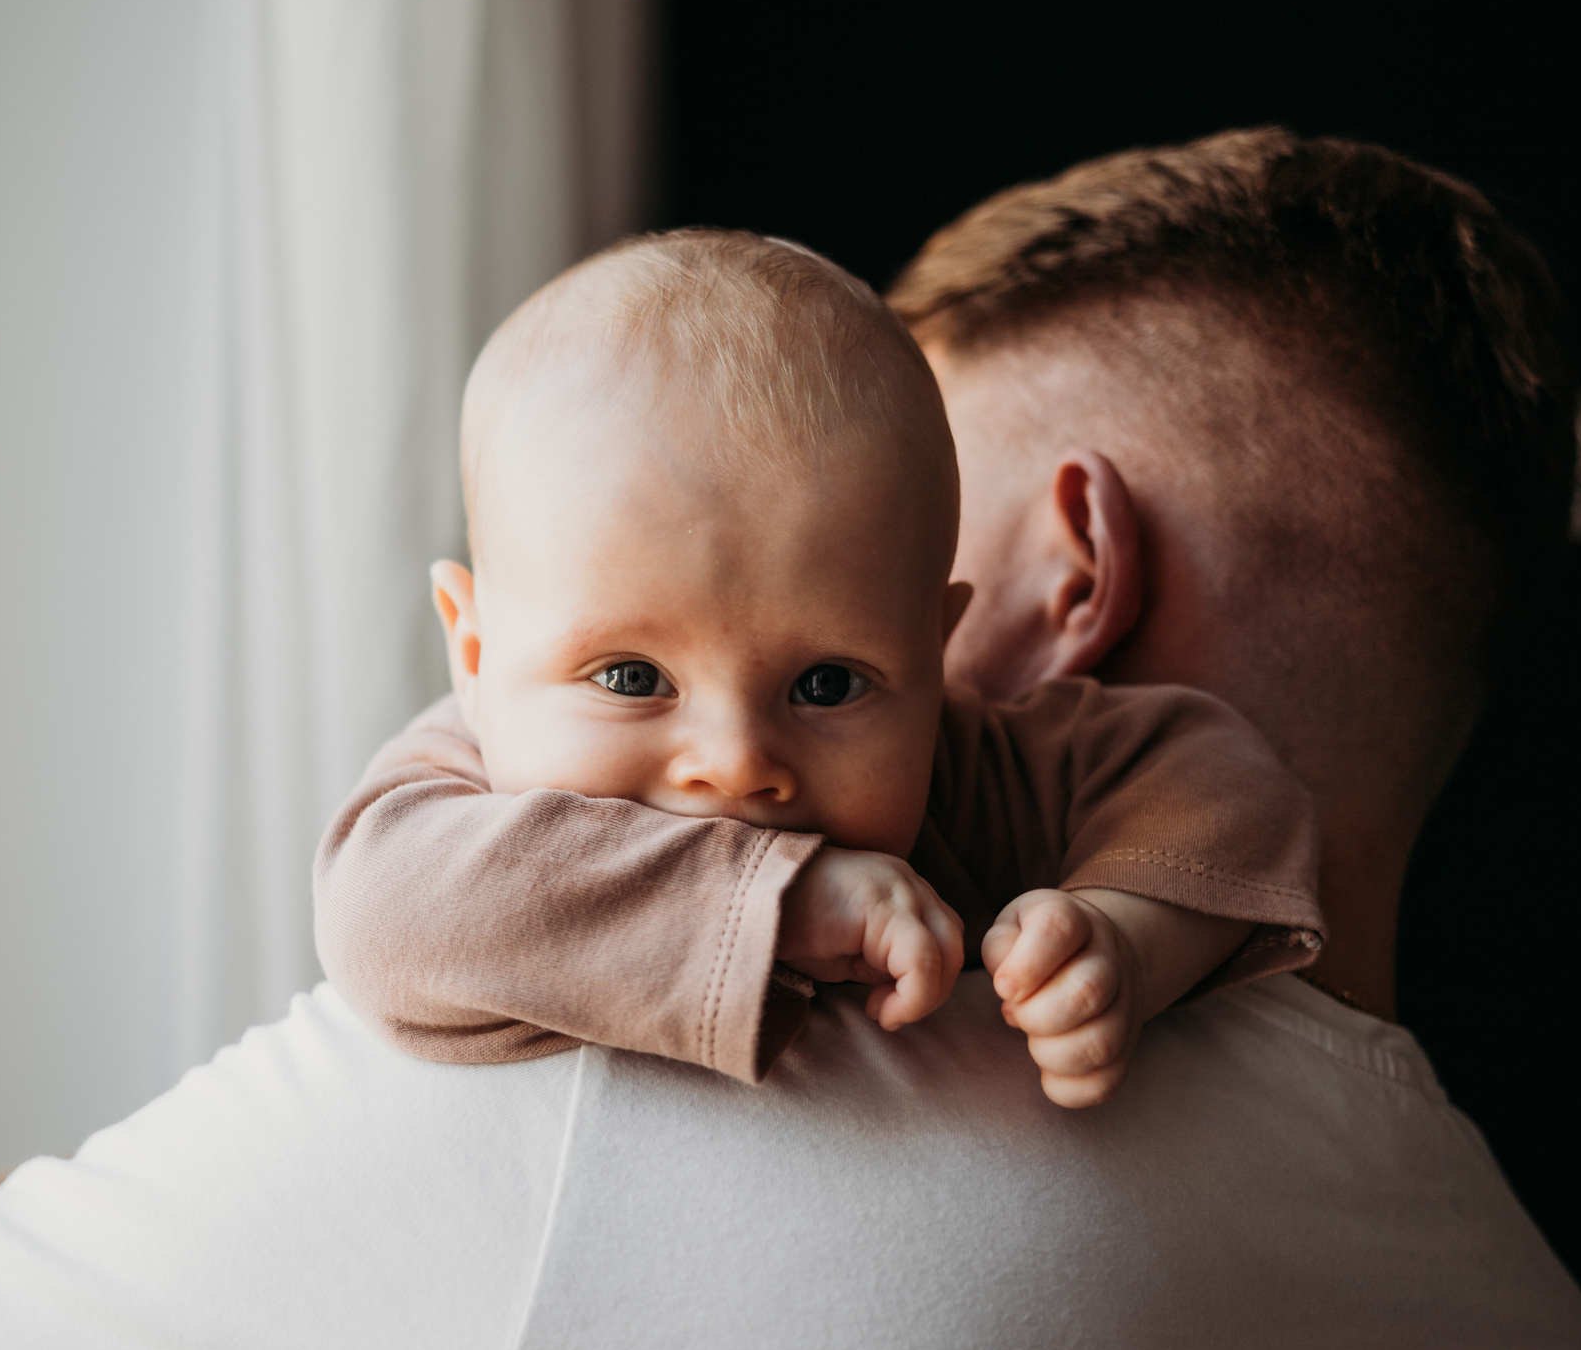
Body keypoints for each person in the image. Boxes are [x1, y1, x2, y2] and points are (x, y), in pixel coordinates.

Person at [0, 129, 1581, 1350]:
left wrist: (237, 1145)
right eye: (635, 660)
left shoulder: (599, 1118)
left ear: (1055, 578)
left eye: (835, 621)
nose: (728, 770)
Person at [314, 226, 1326, 1106]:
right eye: (630, 678)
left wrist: (1128, 937)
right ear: (474, 651)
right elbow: (382, 916)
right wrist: (785, 902)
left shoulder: (966, 775)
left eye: (826, 685)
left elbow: (1219, 779)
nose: (736, 760)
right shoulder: (456, 797)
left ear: (933, 655)